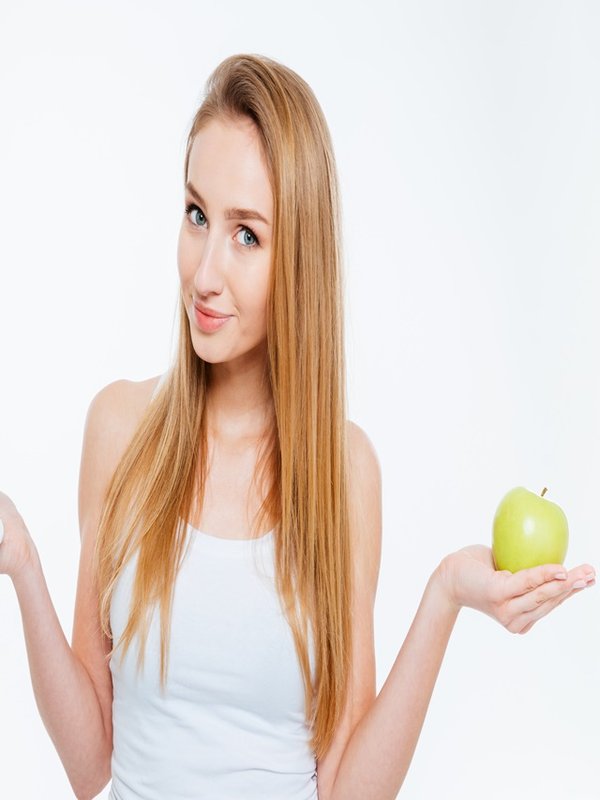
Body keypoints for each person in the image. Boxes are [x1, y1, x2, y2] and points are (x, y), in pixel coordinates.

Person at [0, 52, 596, 800]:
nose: (205, 271)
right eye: (196, 215)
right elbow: (95, 770)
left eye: (246, 234)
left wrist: (446, 594)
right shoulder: (119, 430)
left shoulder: (343, 471)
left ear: (299, 259)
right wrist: (22, 562)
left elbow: (346, 788)